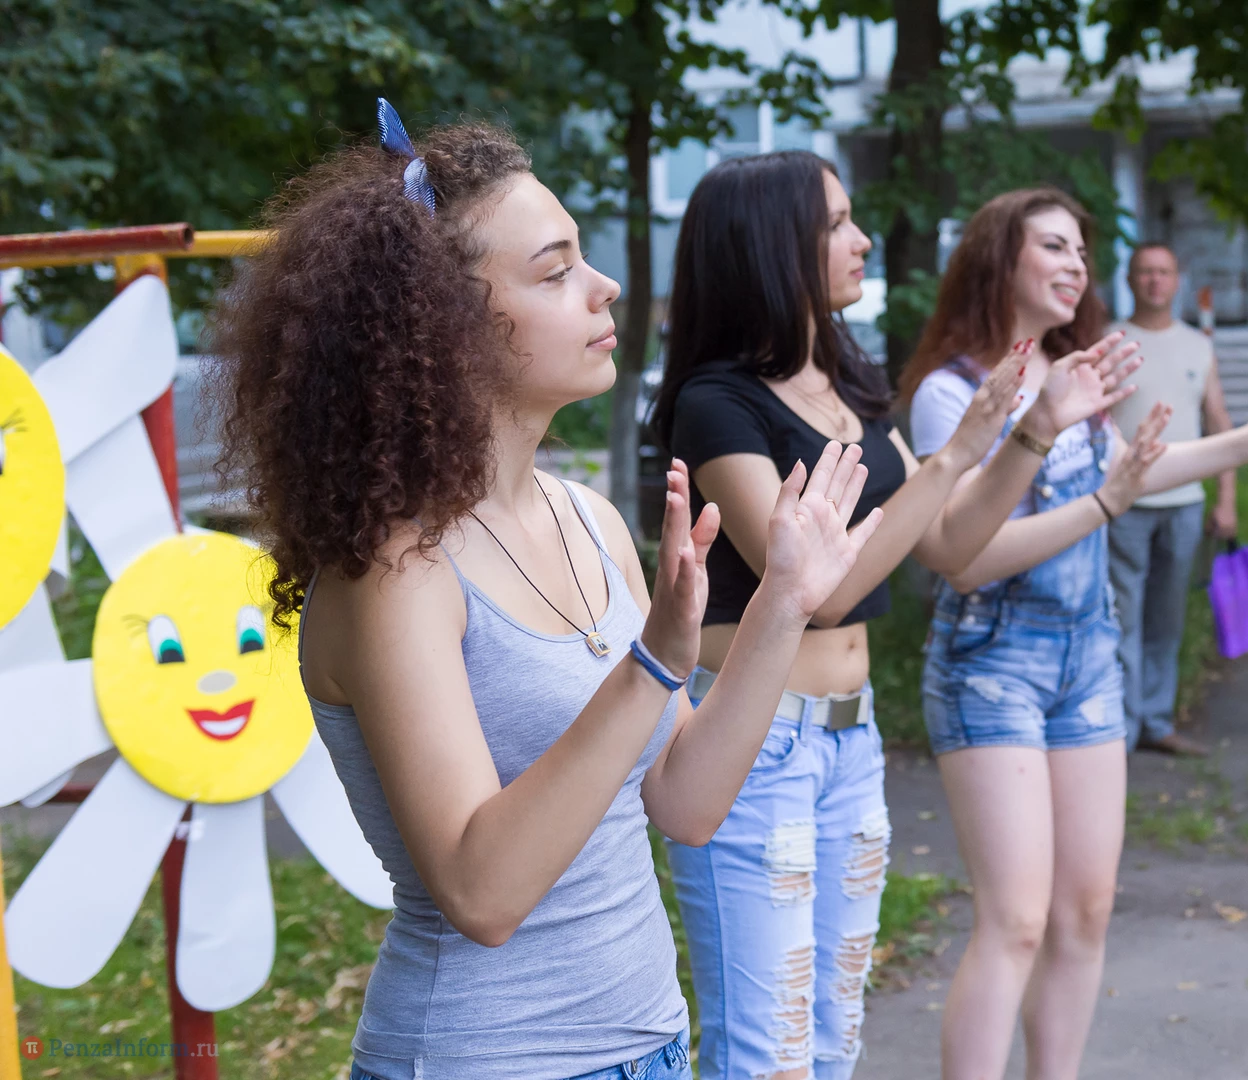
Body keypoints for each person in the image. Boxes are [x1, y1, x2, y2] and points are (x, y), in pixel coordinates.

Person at [212, 105, 885, 1080]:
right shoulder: (396, 572)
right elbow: (481, 893)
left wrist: (781, 602)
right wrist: (650, 665)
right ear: (443, 325)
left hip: (652, 1046)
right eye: (555, 270)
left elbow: (686, 803)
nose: (604, 286)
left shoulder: (590, 521)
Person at [648, 151, 1142, 1080]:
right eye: (837, 223)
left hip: (851, 736)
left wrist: (1034, 432)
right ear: (772, 244)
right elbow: (816, 591)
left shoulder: (846, 378)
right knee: (768, 1053)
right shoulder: (717, 406)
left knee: (834, 1037)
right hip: (754, 747)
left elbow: (949, 543)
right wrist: (953, 455)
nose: (862, 240)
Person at [899, 186, 1248, 1080]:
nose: (1077, 266)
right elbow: (968, 560)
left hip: (1088, 659)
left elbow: (1134, 469)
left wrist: (1247, 441)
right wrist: (1093, 498)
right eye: (1054, 246)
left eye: (1081, 252)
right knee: (1014, 921)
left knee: (1084, 912)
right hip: (992, 663)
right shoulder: (950, 393)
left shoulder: (1073, 373)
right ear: (1000, 258)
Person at [1107, 243, 1238, 757]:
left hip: (1185, 504)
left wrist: (1227, 498)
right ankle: (1121, 729)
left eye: (1163, 272)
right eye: (1145, 272)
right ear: (1130, 279)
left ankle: (1156, 722)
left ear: (1177, 279)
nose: (1154, 281)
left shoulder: (1197, 346)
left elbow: (1218, 421)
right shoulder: (1110, 341)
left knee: (1166, 619)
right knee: (1122, 618)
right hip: (1124, 503)